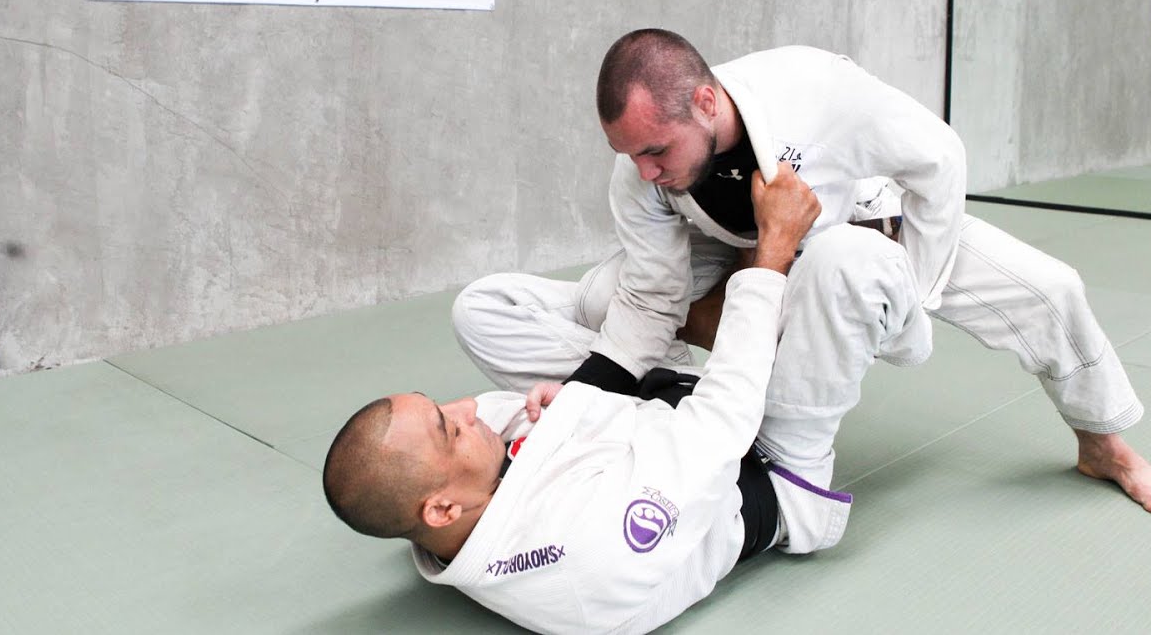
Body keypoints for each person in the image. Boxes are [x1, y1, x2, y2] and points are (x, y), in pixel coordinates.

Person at [451, 28, 1151, 534]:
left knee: (1053, 289)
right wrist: (582, 402)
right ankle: (685, 401)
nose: (644, 171)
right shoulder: (640, 172)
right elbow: (650, 296)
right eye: (630, 154)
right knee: (603, 299)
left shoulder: (814, 87)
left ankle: (1102, 443)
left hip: (865, 228)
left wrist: (914, 295)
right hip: (733, 247)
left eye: (656, 151)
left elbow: (939, 159)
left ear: (705, 102)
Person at [323, 170, 849, 633]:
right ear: (441, 510)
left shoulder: (457, 503)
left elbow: (542, 421)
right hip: (764, 462)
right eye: (450, 429)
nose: (468, 408)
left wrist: (575, 406)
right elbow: (722, 422)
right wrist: (770, 255)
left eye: (439, 407)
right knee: (844, 264)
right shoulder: (592, 553)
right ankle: (793, 262)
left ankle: (687, 311)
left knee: (483, 307)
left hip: (656, 410)